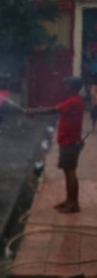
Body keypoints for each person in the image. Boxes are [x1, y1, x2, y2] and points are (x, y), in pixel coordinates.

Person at [26, 76, 85, 213]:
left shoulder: (73, 101)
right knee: (67, 172)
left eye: (67, 86)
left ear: (73, 88)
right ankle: (69, 200)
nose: (65, 88)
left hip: (70, 142)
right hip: (68, 142)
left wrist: (34, 111)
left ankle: (74, 204)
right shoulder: (72, 100)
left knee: (70, 173)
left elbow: (54, 109)